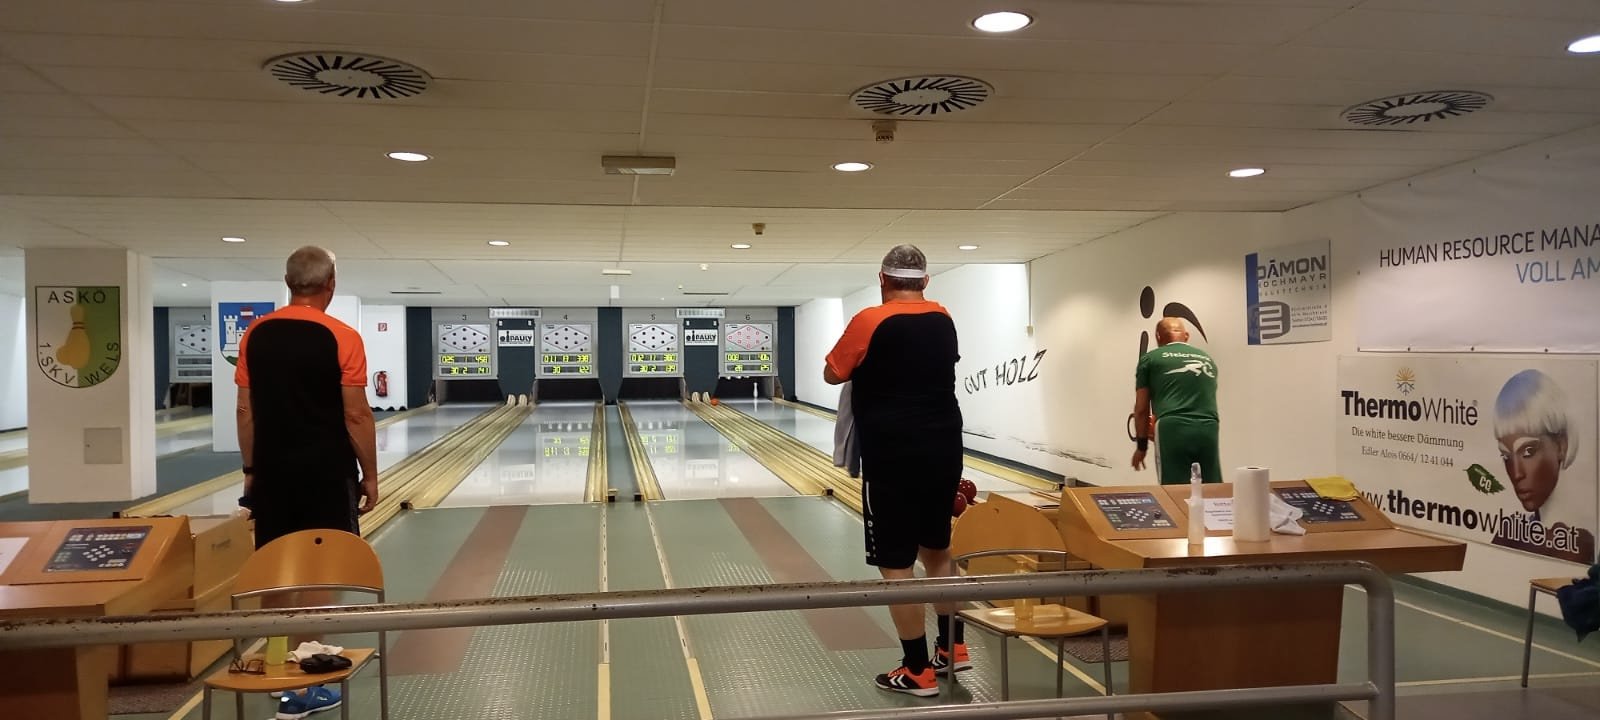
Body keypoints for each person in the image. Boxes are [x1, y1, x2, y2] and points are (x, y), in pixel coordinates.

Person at [235, 246, 378, 718]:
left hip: (273, 473)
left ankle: (280, 672)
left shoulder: (255, 334)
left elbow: (245, 410)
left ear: (288, 282)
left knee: (276, 570)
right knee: (320, 571)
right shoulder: (342, 336)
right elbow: (356, 414)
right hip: (325, 472)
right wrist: (371, 475)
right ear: (331, 283)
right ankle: (307, 684)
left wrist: (252, 470)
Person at [824, 244, 964, 697]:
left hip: (892, 454)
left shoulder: (870, 319)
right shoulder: (943, 316)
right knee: (937, 548)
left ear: (882, 279)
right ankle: (952, 648)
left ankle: (917, 669)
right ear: (926, 281)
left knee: (896, 562)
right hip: (945, 447)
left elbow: (833, 373)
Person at [1492, 369, 1591, 561]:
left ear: (1561, 445)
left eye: (1528, 451)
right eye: (1506, 456)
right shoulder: (1510, 535)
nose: (1516, 473)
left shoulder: (1583, 542)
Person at [1130, 317, 1221, 484]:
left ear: (1158, 336)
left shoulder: (1150, 359)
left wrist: (1141, 447)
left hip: (1172, 428)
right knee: (1211, 488)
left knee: (1174, 490)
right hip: (1209, 427)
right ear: (1186, 336)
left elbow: (1141, 408)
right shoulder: (1207, 359)